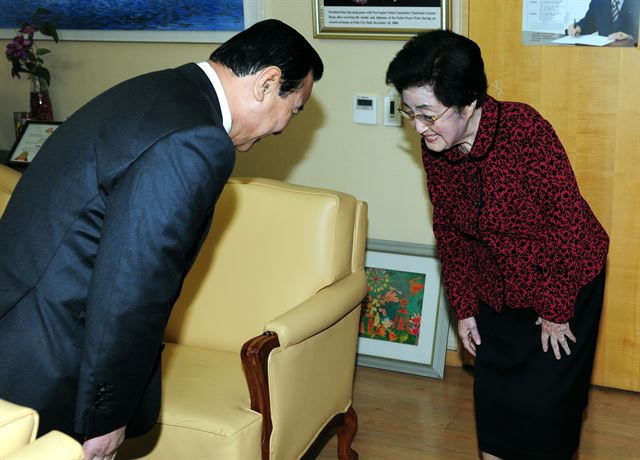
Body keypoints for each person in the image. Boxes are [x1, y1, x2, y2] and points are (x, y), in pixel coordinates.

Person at [0, 19, 322, 460]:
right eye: (296, 107)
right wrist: (106, 416)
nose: (285, 126)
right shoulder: (196, 140)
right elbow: (131, 291)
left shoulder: (158, 90)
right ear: (268, 83)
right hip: (48, 355)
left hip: (17, 322)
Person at [386, 30, 608, 460]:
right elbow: (449, 231)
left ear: (469, 104)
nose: (418, 126)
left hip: (563, 278)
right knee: (496, 400)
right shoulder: (437, 147)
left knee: (546, 406)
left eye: (428, 114)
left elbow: (565, 226)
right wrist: (464, 305)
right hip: (496, 285)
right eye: (409, 112)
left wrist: (556, 309)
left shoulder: (525, 132)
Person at [568, 0, 640, 42]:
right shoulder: (598, 2)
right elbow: (588, 23)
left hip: (632, 56)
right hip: (604, 56)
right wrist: (578, 28)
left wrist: (630, 38)